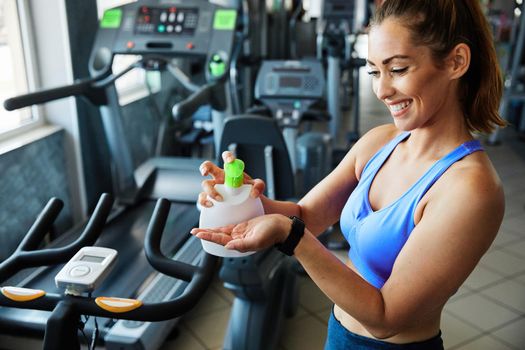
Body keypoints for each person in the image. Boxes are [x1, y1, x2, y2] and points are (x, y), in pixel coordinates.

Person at [191, 0, 506, 348]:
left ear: (456, 62)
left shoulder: (471, 189)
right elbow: (307, 216)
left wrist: (292, 237)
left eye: (398, 69)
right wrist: (244, 199)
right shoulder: (379, 142)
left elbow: (386, 318)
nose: (382, 90)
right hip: (339, 333)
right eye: (374, 71)